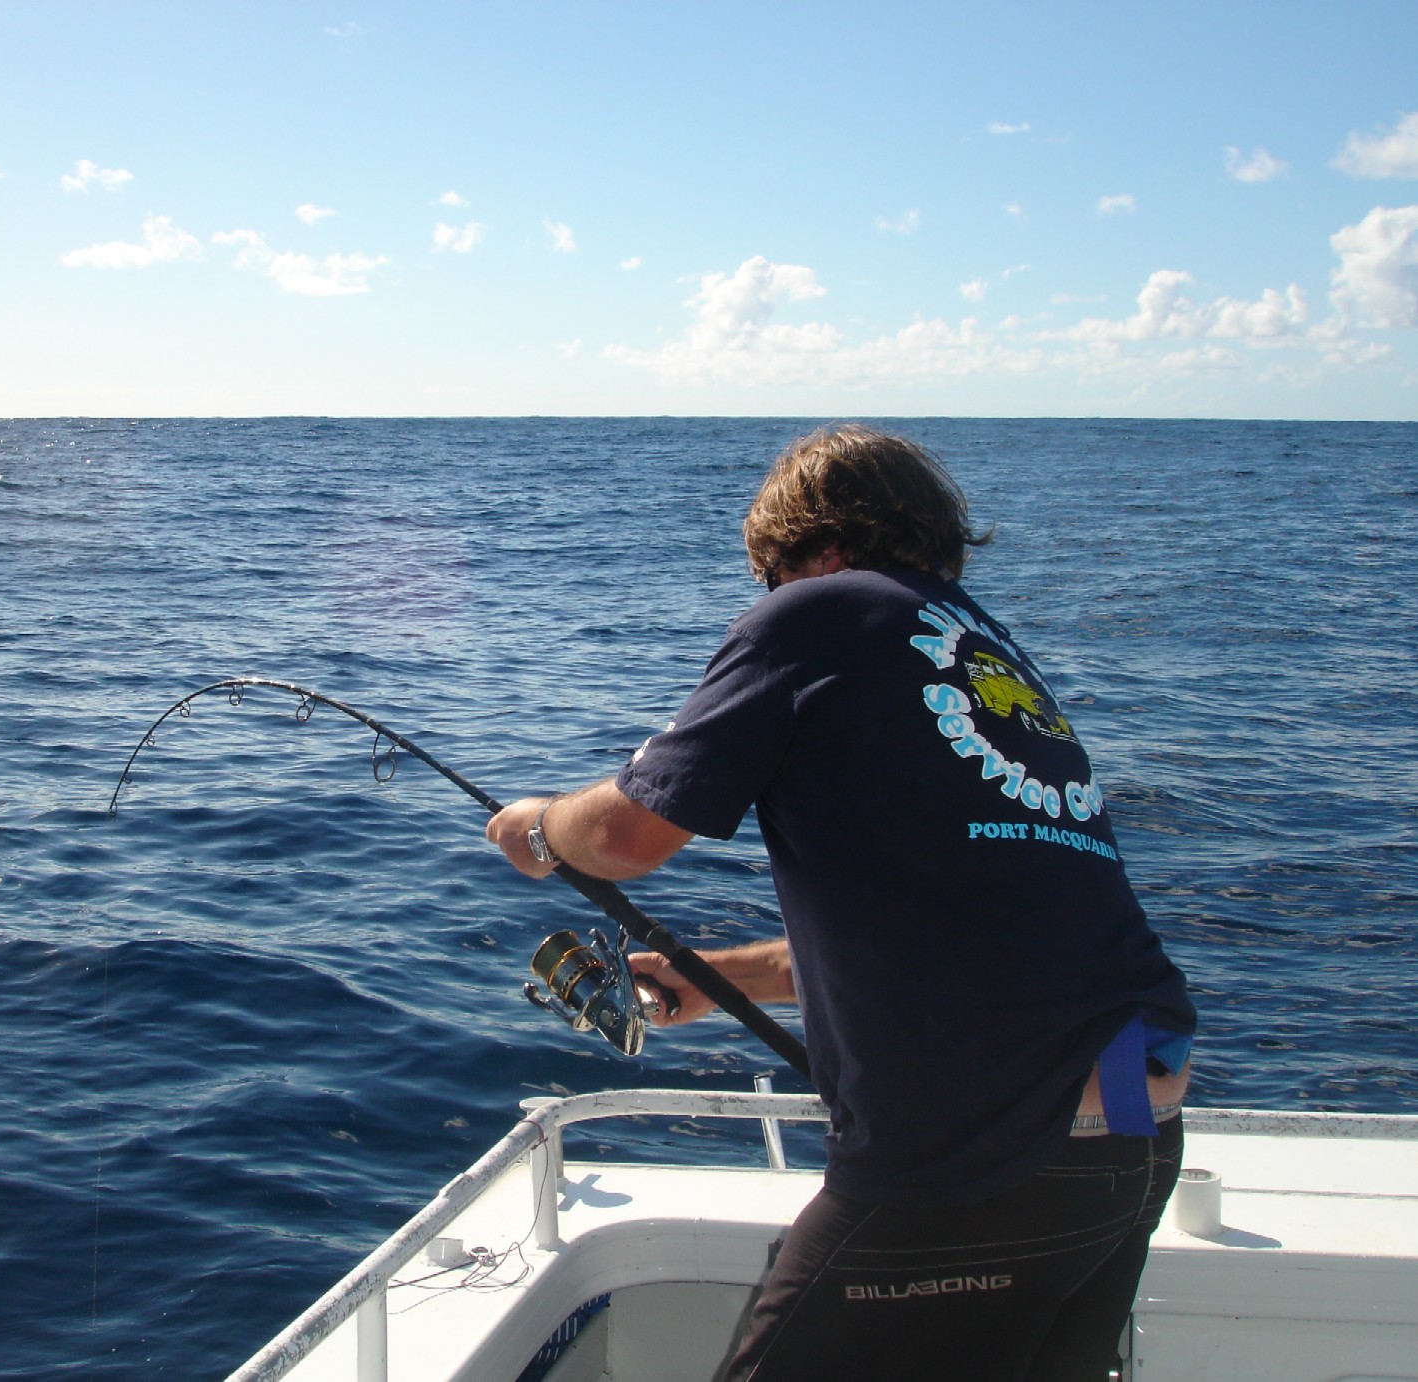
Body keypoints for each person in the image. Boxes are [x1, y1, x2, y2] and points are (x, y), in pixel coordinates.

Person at [486, 424, 1195, 1382]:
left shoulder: (818, 613)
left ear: (816, 553)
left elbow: (624, 838)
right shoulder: (981, 651)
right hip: (1132, 1129)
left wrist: (534, 831)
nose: (775, 600)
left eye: (775, 578)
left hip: (990, 1142)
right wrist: (715, 979)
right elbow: (949, 924)